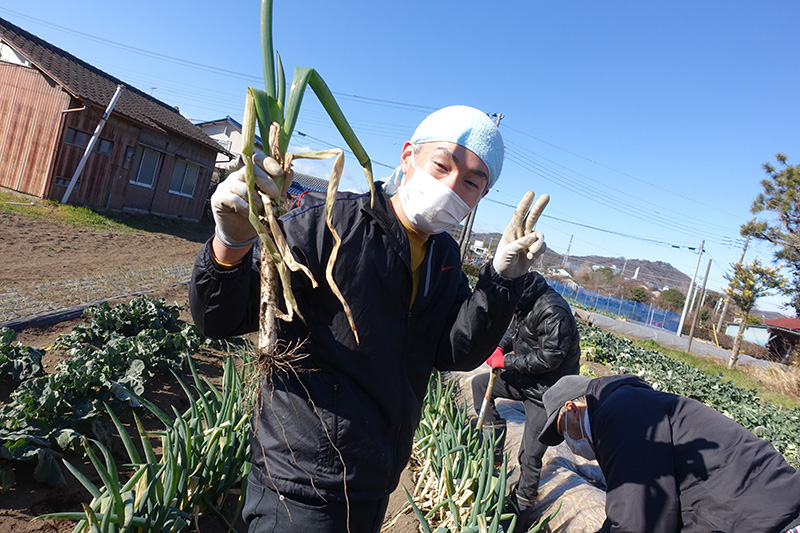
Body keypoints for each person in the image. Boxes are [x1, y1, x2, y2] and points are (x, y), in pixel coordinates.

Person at [190, 105, 551, 532]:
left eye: (471, 182)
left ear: (481, 197)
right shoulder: (329, 223)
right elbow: (219, 319)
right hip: (303, 485)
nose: (452, 186)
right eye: (442, 165)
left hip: (372, 482)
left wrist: (501, 280)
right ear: (407, 156)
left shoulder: (445, 256)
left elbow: (452, 350)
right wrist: (230, 243)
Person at [538, 374, 800, 533]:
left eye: (564, 431)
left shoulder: (619, 414)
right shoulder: (628, 405)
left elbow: (639, 521)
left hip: (768, 518)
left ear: (571, 408)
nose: (570, 442)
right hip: (757, 512)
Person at [471, 270, 580, 525]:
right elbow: (516, 331)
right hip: (526, 379)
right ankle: (494, 447)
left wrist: (506, 361)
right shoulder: (524, 302)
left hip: (546, 392)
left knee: (530, 456)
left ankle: (521, 512)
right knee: (479, 385)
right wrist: (500, 346)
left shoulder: (554, 311)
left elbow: (550, 358)